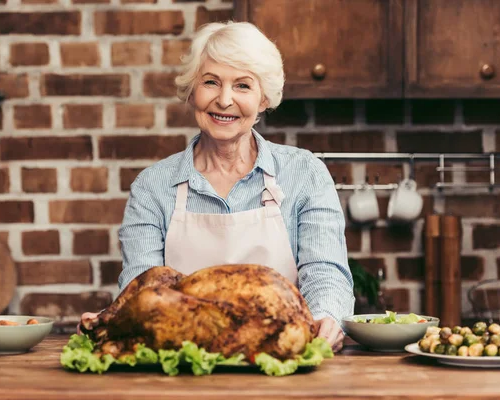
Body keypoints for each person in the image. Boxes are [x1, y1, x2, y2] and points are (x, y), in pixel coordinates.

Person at [81, 21, 355, 352]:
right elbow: (144, 288)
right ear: (192, 91)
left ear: (263, 98)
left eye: (242, 86)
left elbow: (326, 272)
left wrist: (327, 319)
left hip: (277, 361)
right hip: (182, 366)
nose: (224, 100)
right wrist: (118, 319)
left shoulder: (305, 174)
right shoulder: (153, 187)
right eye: (211, 82)